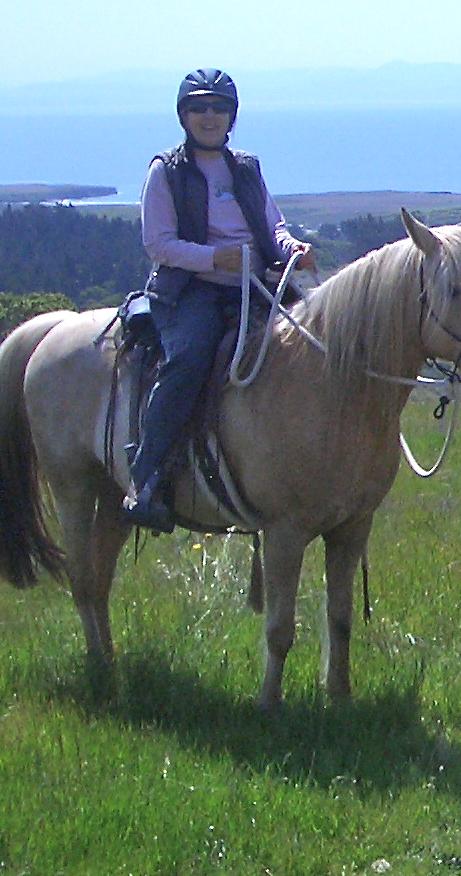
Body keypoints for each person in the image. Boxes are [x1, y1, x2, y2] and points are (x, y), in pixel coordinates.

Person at [121, 69, 315, 531]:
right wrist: (215, 258)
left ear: (232, 117)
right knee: (189, 357)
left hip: (255, 283)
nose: (209, 116)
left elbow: (274, 225)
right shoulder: (165, 171)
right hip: (191, 290)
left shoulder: (245, 167)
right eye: (198, 108)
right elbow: (158, 244)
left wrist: (292, 249)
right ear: (183, 116)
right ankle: (146, 478)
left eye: (219, 108)